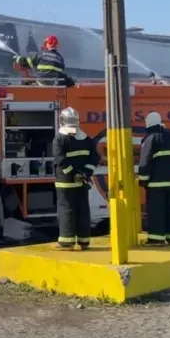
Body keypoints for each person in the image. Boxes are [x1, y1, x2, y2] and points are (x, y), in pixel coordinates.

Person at [51, 107, 100, 250]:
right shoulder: (86, 138)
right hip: (82, 182)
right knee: (83, 209)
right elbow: (94, 158)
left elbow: (60, 159)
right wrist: (85, 174)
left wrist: (73, 173)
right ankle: (84, 241)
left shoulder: (60, 138)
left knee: (67, 209)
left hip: (66, 182)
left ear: (62, 121)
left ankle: (66, 242)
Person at [137, 112, 170, 246]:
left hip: (155, 184)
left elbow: (145, 162)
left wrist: (142, 180)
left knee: (156, 211)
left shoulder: (150, 139)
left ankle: (156, 239)